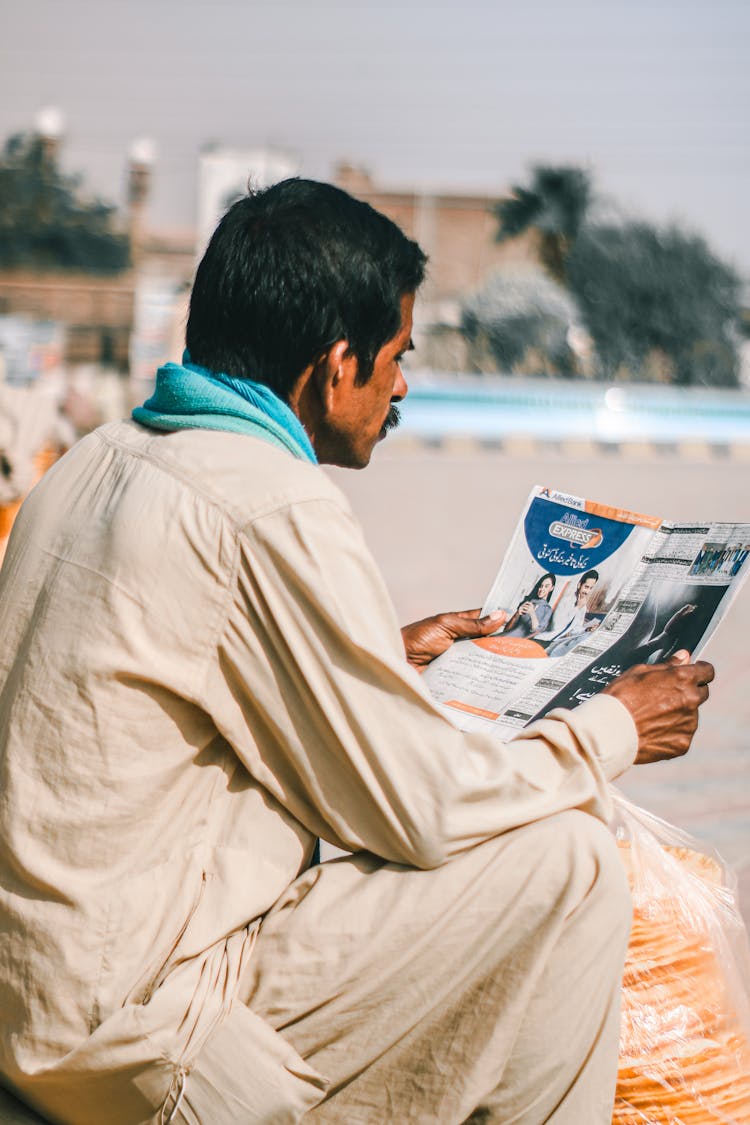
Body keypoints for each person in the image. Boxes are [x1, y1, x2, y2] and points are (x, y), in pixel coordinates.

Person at [0, 180, 714, 1125]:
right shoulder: (273, 504)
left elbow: (187, 666)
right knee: (571, 865)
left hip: (36, 997)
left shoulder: (94, 460)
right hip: (136, 1028)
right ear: (337, 366)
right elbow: (418, 812)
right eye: (398, 355)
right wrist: (613, 728)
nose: (405, 385)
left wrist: (386, 653)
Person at [544, 569, 600, 658]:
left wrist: (587, 630)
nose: (587, 591)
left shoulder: (582, 606)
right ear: (579, 585)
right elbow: (555, 626)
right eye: (586, 587)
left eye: (590, 588)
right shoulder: (566, 600)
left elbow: (575, 630)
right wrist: (577, 608)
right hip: (546, 639)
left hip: (557, 642)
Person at [501, 572, 556, 638]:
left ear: (551, 588)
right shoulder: (528, 602)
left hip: (520, 642)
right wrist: (517, 613)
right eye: (541, 586)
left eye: (546, 586)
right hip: (506, 636)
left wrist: (532, 613)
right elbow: (506, 630)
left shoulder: (548, 610)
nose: (541, 589)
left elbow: (537, 632)